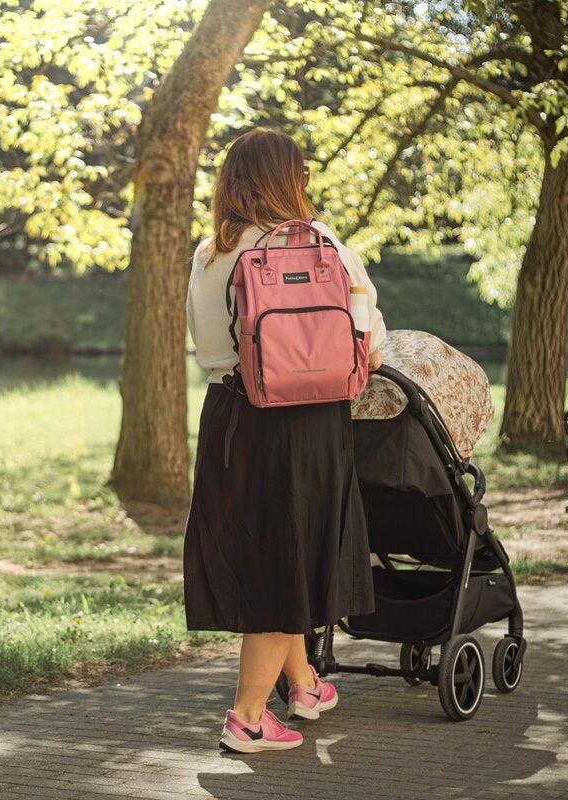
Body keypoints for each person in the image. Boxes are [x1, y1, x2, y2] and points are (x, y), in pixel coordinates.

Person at [183, 128, 387, 754]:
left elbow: (210, 347)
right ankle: (246, 717)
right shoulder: (324, 247)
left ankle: (302, 683)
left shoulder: (208, 254)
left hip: (231, 417)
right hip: (306, 424)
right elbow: (370, 345)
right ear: (289, 180)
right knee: (287, 559)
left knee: (271, 554)